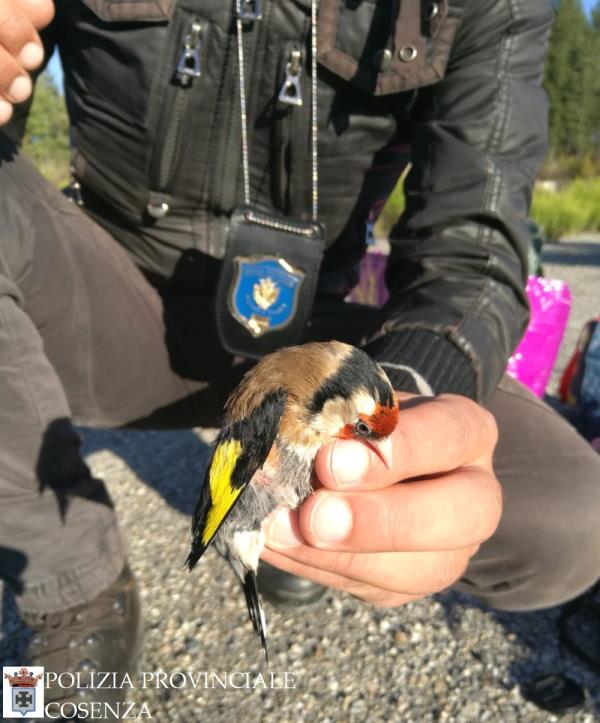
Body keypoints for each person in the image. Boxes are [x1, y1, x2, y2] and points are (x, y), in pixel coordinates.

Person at [1, 0, 599, 714]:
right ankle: (76, 590)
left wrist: (399, 404)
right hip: (109, 307)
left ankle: (301, 532)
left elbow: (471, 244)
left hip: (309, 332)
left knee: (572, 518)